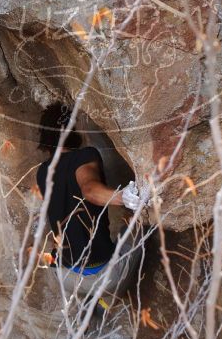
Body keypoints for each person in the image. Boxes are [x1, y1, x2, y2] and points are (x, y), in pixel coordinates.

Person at [35, 102, 143, 300]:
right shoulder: (85, 155)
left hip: (63, 275)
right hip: (103, 278)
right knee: (140, 232)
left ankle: (88, 301)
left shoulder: (42, 171)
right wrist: (123, 197)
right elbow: (89, 189)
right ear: (73, 130)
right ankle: (104, 298)